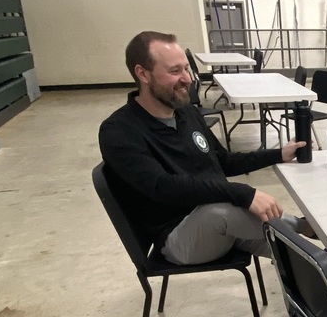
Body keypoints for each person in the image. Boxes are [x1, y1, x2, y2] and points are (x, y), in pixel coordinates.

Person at [99, 31, 307, 266]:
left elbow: (223, 161)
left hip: (224, 224)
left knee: (300, 258)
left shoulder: (186, 113)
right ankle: (303, 226)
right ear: (143, 74)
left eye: (186, 69)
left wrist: (278, 154)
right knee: (223, 210)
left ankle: (326, 265)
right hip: (179, 237)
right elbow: (162, 187)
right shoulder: (119, 131)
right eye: (175, 71)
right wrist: (242, 193)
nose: (187, 79)